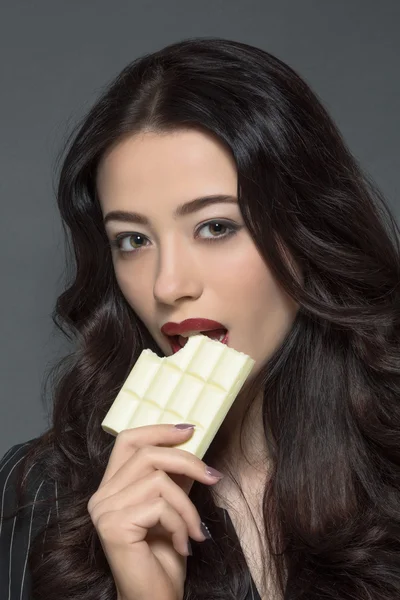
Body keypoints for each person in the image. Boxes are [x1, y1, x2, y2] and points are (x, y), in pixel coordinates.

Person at [1, 36, 400, 600]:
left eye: (215, 227)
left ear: (306, 231)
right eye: (133, 239)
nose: (168, 285)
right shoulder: (39, 496)